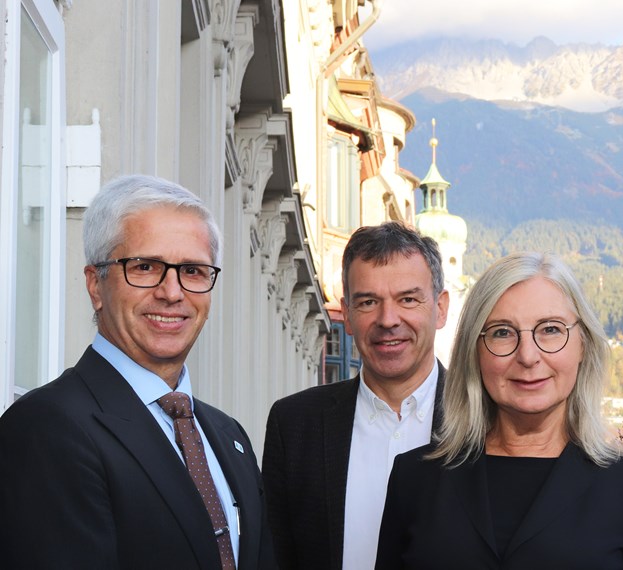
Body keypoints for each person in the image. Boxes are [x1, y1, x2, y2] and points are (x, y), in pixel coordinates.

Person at [0, 175, 275, 569]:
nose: (172, 292)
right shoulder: (45, 427)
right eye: (145, 267)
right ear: (96, 284)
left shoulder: (227, 434)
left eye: (193, 271)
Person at [375, 252, 623, 570]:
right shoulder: (414, 480)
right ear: (475, 352)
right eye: (501, 332)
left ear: (583, 344)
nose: (527, 356)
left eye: (550, 329)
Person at [263, 221, 450, 569]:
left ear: (440, 308)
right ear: (347, 315)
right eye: (368, 302)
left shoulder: (487, 420)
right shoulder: (294, 425)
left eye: (407, 299)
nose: (388, 319)